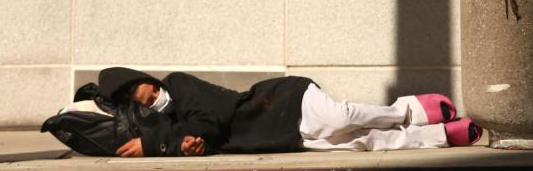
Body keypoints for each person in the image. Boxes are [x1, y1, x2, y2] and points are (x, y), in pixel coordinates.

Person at [98, 67, 480, 156]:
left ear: (146, 79)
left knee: (343, 117)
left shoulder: (178, 84)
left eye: (139, 89)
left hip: (283, 102)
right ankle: (441, 135)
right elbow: (205, 135)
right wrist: (185, 143)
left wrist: (153, 143)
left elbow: (215, 117)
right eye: (134, 101)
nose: (143, 98)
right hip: (282, 135)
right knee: (366, 142)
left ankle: (408, 110)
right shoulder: (169, 123)